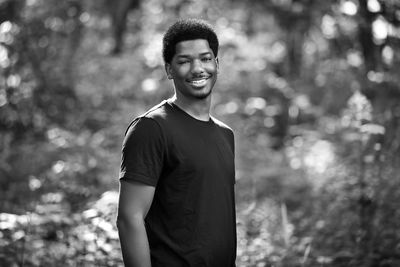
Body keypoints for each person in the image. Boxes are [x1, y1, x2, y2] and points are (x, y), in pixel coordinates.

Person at [117, 18, 237, 267]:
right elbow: (130, 218)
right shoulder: (151, 128)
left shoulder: (226, 135)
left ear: (216, 63)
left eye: (205, 59)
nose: (197, 68)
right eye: (184, 61)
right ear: (169, 69)